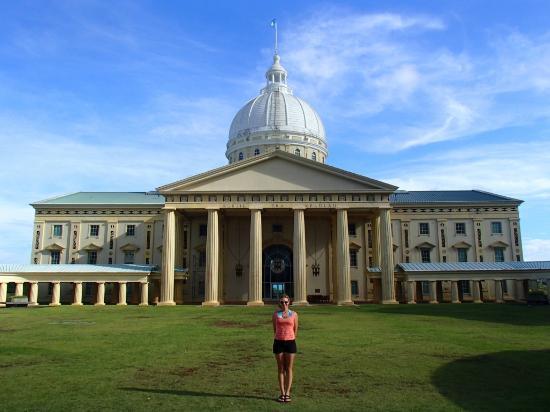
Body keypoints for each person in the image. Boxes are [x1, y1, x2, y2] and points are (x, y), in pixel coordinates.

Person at [272, 294, 298, 403]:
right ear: (280, 303)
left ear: (289, 302)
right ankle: (282, 393)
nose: (284, 304)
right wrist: (280, 337)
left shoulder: (294, 314)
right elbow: (275, 328)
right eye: (282, 302)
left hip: (290, 343)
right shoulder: (276, 315)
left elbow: (295, 329)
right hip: (278, 342)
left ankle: (288, 393)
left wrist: (290, 337)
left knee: (289, 368)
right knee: (281, 368)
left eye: (286, 302)